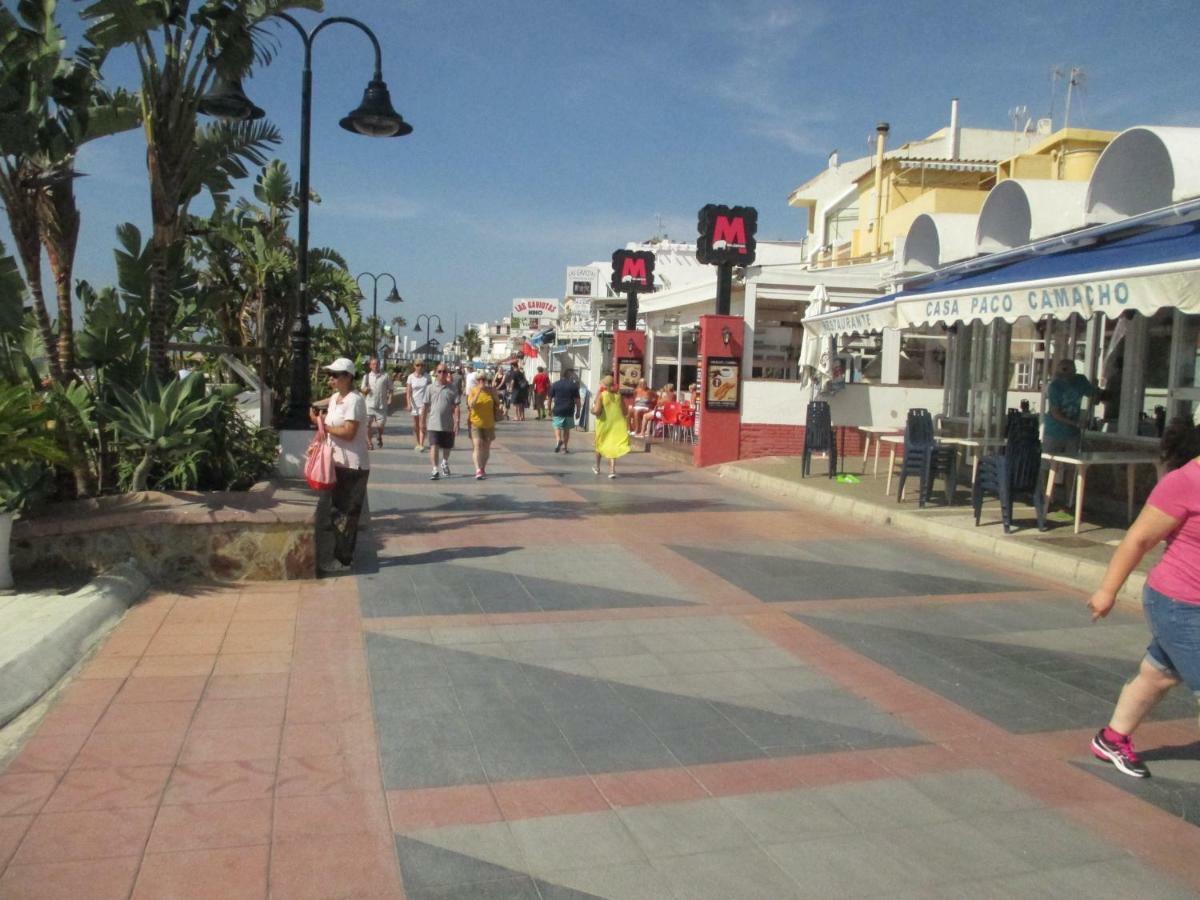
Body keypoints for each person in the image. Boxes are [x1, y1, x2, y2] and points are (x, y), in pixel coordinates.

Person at [1087, 420, 1200, 778]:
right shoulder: (1183, 482)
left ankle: (1111, 739)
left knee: (1158, 675)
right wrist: (1108, 591)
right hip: (1179, 602)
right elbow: (1138, 539)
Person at [309, 357, 370, 570]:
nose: (331, 378)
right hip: (338, 463)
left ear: (348, 377)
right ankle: (342, 555)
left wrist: (324, 427)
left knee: (346, 514)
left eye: (335, 375)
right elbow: (324, 411)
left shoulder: (355, 400)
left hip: (352, 466)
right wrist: (316, 416)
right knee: (337, 512)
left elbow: (349, 432)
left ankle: (344, 559)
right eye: (330, 375)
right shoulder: (336, 398)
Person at [1043, 359, 1096, 513]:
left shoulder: (1080, 381)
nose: (1064, 373)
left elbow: (1092, 395)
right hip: (1054, 430)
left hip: (1072, 434)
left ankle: (1070, 501)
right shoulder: (1054, 386)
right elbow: (1054, 412)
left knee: (1071, 467)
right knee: (1048, 465)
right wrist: (1075, 423)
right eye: (1061, 370)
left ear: (1074, 370)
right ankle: (1047, 498)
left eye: (1067, 369)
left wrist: (1086, 413)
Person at [591, 374, 631, 478]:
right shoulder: (619, 396)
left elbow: (597, 411)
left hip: (604, 424)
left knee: (599, 443)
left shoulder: (602, 395)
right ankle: (612, 470)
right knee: (612, 445)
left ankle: (597, 466)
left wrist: (591, 410)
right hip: (617, 424)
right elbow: (625, 411)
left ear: (603, 385)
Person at [425, 363, 458, 480]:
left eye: (444, 372)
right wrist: (422, 422)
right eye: (439, 371)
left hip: (448, 423)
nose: (442, 374)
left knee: (447, 447)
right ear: (436, 373)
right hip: (433, 423)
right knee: (434, 445)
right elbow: (425, 405)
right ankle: (435, 469)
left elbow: (456, 406)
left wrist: (457, 422)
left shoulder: (452, 388)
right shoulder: (430, 388)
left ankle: (444, 461)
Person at [467, 374, 499, 479]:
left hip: (489, 423)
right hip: (476, 423)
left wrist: (495, 395)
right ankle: (478, 469)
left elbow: (497, 403)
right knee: (477, 446)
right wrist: (479, 392)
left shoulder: (491, 391)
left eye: (483, 379)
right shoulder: (472, 390)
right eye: (479, 379)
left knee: (486, 447)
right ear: (476, 381)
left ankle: (482, 468)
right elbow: (471, 404)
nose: (481, 381)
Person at [360, 357, 392, 449]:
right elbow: (362, 389)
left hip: (381, 405)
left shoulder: (385, 376)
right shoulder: (366, 377)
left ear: (379, 365)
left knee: (381, 425)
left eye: (377, 364)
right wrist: (366, 389)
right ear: (370, 366)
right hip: (369, 404)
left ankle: (379, 435)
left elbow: (391, 389)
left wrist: (390, 398)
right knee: (367, 425)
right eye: (373, 364)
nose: (375, 366)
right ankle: (369, 443)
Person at [549, 368, 581, 453]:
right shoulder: (573, 385)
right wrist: (578, 411)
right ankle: (565, 448)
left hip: (558, 409)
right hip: (569, 410)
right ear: (569, 376)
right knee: (566, 429)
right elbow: (577, 400)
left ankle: (559, 440)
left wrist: (549, 409)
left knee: (557, 427)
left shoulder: (555, 384)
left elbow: (549, 398)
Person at [406, 360, 431, 451]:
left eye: (421, 365)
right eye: (417, 365)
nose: (419, 367)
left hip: (424, 403)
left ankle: (421, 444)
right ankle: (417, 442)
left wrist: (430, 404)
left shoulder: (427, 377)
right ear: (414, 366)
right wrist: (408, 403)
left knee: (422, 424)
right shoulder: (410, 377)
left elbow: (430, 391)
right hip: (414, 404)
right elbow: (408, 391)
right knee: (416, 425)